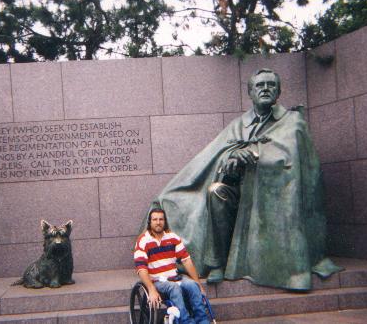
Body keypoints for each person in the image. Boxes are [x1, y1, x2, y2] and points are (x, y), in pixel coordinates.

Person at [145, 68, 341, 291]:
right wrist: (232, 156)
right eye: (260, 85)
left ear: (278, 91)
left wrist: (256, 154)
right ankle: (216, 263)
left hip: (273, 199)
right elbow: (217, 155)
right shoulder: (238, 125)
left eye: (270, 85)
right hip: (238, 194)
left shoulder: (293, 122)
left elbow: (294, 165)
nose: (265, 89)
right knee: (215, 191)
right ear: (250, 92)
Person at [134, 208, 210, 324]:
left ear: (165, 221)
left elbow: (186, 261)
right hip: (157, 281)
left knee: (192, 285)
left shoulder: (173, 238)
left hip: (175, 277)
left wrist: (199, 284)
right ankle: (186, 321)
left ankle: (203, 320)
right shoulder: (143, 241)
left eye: (161, 219)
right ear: (150, 222)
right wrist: (151, 289)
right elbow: (141, 268)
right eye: (155, 219)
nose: (158, 222)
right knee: (174, 288)